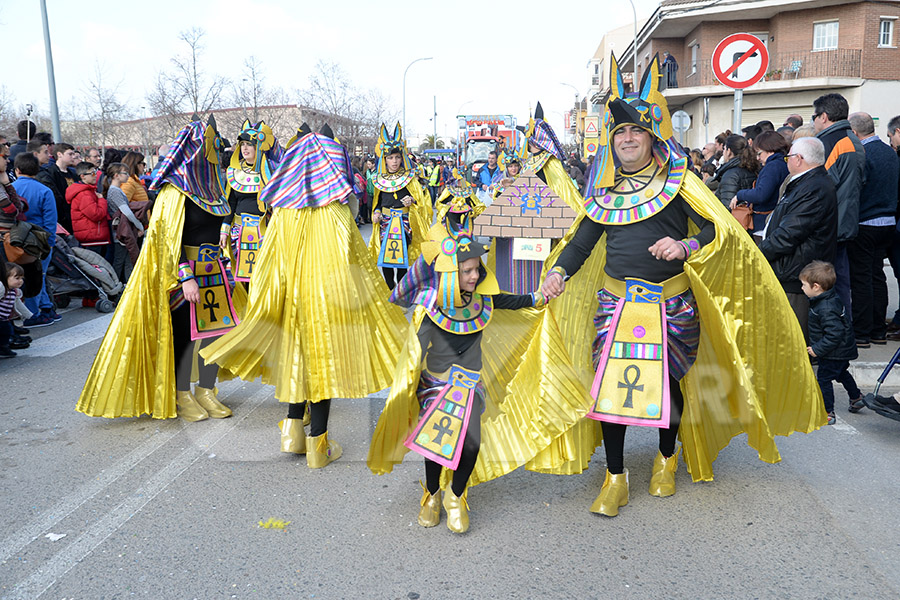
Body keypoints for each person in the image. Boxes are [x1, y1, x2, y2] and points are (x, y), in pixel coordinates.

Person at [534, 53, 822, 516]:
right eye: (620, 133)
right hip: (616, 304)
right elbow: (581, 243)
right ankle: (615, 476)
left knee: (668, 387)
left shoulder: (680, 182)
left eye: (636, 131)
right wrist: (557, 272)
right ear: (612, 141)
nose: (627, 139)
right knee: (610, 393)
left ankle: (666, 460)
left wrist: (685, 246)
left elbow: (717, 229)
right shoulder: (603, 195)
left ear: (651, 138)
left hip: (672, 305)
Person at [367, 203, 589, 533]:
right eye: (467, 270)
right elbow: (413, 350)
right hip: (435, 386)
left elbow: (515, 302)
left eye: (477, 269)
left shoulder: (484, 298)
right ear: (450, 273)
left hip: (471, 385)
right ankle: (431, 493)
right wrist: (407, 390)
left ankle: (456, 495)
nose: (475, 275)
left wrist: (540, 297)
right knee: (436, 445)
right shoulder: (430, 306)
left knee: (471, 443)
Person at [201, 123, 407, 464]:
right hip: (327, 304)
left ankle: (292, 432)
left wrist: (269, 302)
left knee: (297, 364)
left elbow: (267, 263)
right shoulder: (337, 210)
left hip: (291, 303)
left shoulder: (283, 210)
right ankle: (318, 447)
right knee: (323, 369)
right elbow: (354, 264)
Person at [77, 116, 239, 422]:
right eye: (211, 145)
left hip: (214, 270)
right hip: (184, 274)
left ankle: (207, 389)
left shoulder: (215, 187)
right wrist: (185, 277)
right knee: (186, 336)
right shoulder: (174, 192)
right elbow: (165, 239)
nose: (216, 151)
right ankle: (181, 394)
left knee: (214, 335)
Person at [758, 137, 837, 340]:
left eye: (789, 157)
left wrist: (758, 254)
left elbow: (790, 234)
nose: (787, 161)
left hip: (796, 271)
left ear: (799, 159)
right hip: (793, 268)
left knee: (793, 337)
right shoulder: (806, 182)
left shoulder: (813, 187)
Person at [846, 111, 898, 347]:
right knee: (877, 276)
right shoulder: (890, 152)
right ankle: (878, 330)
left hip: (866, 222)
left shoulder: (863, 153)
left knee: (862, 278)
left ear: (854, 133)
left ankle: (861, 332)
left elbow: (858, 187)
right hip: (888, 223)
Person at [813, 93, 866, 314]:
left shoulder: (829, 143)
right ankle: (842, 334)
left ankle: (834, 337)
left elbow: (817, 188)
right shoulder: (853, 140)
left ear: (824, 116)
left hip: (827, 227)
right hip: (845, 222)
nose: (813, 121)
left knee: (823, 286)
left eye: (814, 116)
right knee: (840, 283)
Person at [368, 123, 430, 290]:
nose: (394, 161)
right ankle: (390, 288)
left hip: (404, 222)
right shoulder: (378, 179)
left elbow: (422, 202)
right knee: (386, 259)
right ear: (384, 159)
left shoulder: (410, 178)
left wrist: (413, 202)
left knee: (402, 257)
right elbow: (377, 203)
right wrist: (376, 212)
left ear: (402, 157)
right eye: (390, 158)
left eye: (397, 157)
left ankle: (401, 290)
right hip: (385, 223)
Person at [219, 120, 281, 285]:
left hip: (265, 232)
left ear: (258, 147)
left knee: (264, 278)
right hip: (238, 232)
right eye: (243, 144)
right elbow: (230, 203)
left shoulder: (272, 170)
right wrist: (224, 229)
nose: (245, 148)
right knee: (240, 278)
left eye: (250, 145)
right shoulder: (234, 171)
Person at [801, 261, 862, 425]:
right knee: (841, 372)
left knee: (823, 380)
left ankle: (828, 411)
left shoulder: (825, 307)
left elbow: (835, 333)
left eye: (803, 285)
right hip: (840, 350)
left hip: (833, 352)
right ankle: (856, 397)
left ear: (816, 287)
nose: (801, 288)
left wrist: (817, 349)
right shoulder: (828, 299)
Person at [12, 153, 59, 327]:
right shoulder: (44, 191)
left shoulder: (11, 189)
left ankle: (44, 307)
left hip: (15, 239)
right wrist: (50, 242)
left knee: (20, 276)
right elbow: (50, 221)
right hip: (38, 240)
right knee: (38, 275)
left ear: (17, 169)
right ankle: (34, 313)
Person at [733, 130, 790, 233]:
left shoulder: (772, 166)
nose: (758, 158)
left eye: (759, 153)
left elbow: (761, 194)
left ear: (770, 149)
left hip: (763, 222)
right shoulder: (784, 163)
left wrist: (740, 195)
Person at [103, 162, 145, 283]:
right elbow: (126, 211)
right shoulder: (115, 191)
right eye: (125, 173)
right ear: (116, 175)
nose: (127, 175)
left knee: (127, 260)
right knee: (120, 260)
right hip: (121, 231)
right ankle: (114, 287)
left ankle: (128, 285)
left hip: (121, 230)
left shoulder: (116, 190)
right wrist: (139, 225)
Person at [66, 161, 110, 257]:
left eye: (96, 172)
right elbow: (96, 214)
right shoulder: (84, 194)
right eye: (92, 173)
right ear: (83, 176)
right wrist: (101, 200)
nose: (95, 176)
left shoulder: (88, 191)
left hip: (92, 234)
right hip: (92, 236)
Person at [35, 142, 76, 234]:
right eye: (70, 154)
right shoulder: (51, 173)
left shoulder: (73, 173)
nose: (73, 157)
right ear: (59, 154)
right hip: (62, 217)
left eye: (73, 154)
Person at [712, 134, 758, 209]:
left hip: (735, 218)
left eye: (724, 149)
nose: (723, 152)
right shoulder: (752, 167)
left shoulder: (730, 175)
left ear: (729, 151)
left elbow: (727, 207)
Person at [0, 262, 28, 357]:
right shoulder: (2, 289)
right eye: (17, 278)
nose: (20, 281)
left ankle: (3, 347)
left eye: (21, 278)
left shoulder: (14, 291)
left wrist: (27, 315)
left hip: (4, 318)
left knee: (7, 332)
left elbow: (18, 304)